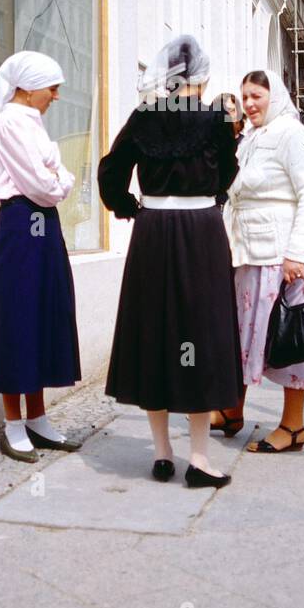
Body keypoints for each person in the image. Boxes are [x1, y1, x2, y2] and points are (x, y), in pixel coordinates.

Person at [99, 36, 242, 488]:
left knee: (153, 333)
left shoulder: (144, 116)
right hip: (201, 230)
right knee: (200, 333)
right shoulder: (217, 118)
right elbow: (226, 174)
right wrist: (209, 195)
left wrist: (127, 207)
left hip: (153, 233)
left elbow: (110, 171)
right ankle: (199, 456)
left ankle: (162, 454)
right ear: (201, 75)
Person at [0, 51, 84, 463]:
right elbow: (41, 181)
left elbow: (53, 173)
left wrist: (57, 176)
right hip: (21, 222)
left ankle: (38, 418)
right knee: (18, 316)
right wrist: (60, 179)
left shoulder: (33, 123)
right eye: (52, 88)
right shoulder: (8, 123)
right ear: (27, 87)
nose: (56, 97)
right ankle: (13, 424)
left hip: (43, 222)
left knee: (44, 313)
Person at [215, 69, 304, 453]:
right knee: (246, 336)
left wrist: (296, 252)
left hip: (283, 258)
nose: (248, 104)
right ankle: (232, 410)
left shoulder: (294, 137)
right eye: (244, 97)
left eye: (256, 96)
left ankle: (293, 427)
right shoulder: (250, 139)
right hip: (250, 253)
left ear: (273, 96)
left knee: (290, 340)